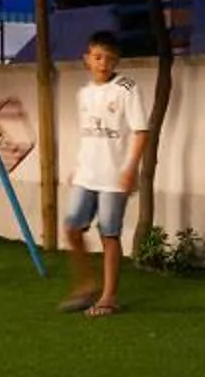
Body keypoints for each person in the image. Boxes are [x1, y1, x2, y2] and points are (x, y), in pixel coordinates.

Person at [60, 31, 148, 317]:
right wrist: (78, 166)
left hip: (114, 177)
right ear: (87, 59)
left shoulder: (127, 88)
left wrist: (130, 169)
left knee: (109, 234)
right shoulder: (83, 94)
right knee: (72, 228)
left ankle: (109, 297)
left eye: (110, 58)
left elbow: (140, 131)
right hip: (87, 174)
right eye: (98, 57)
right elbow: (88, 134)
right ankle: (87, 284)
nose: (103, 63)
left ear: (116, 60)